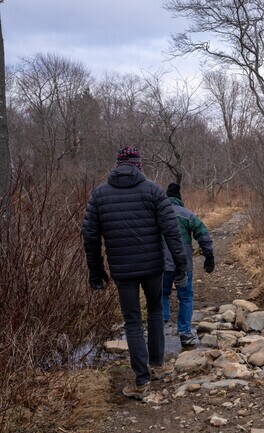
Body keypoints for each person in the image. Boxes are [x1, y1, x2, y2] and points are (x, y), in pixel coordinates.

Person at [82, 146, 188, 400]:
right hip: (153, 267)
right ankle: (157, 365)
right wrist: (181, 266)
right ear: (139, 165)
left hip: (123, 270)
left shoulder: (99, 195)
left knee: (132, 321)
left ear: (117, 165)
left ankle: (141, 381)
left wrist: (96, 272)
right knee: (154, 311)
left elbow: (90, 237)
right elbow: (172, 233)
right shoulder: (153, 191)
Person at [162, 182, 214, 347]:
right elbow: (203, 234)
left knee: (160, 295)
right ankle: (185, 333)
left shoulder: (157, 214)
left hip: (160, 265)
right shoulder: (187, 215)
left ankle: (160, 329)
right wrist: (209, 256)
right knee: (185, 297)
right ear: (179, 198)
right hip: (183, 265)